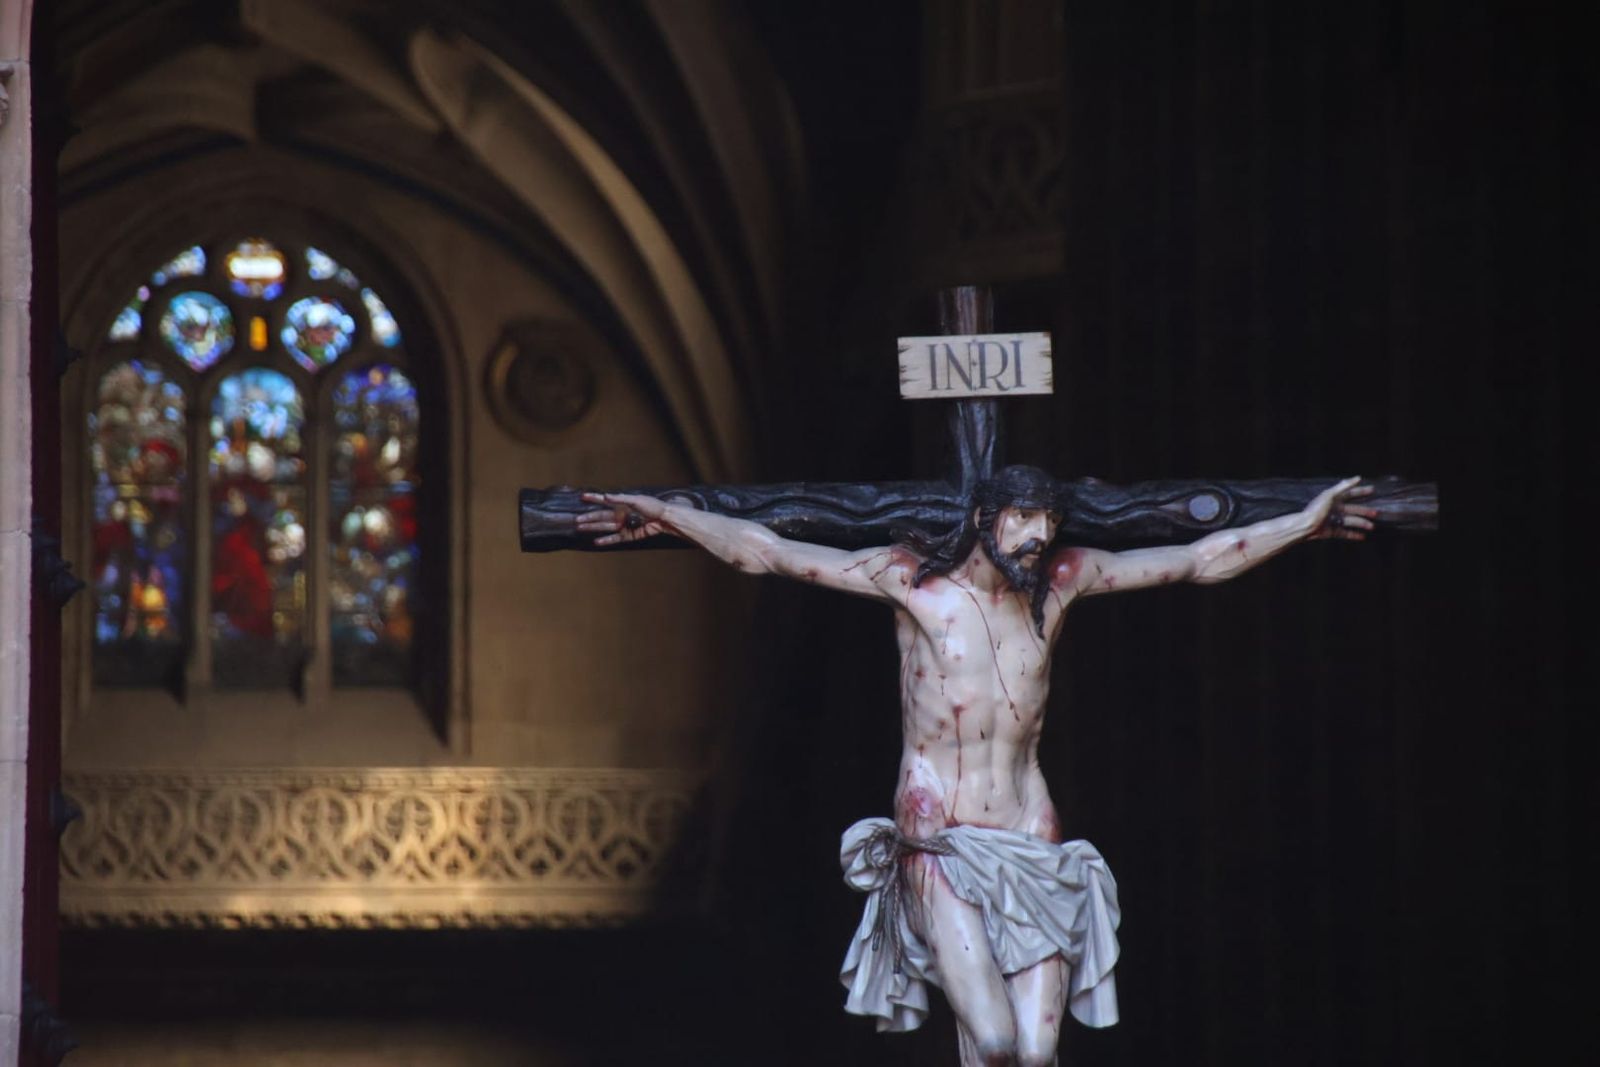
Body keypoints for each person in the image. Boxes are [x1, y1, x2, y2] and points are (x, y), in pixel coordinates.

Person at [578, 468, 1374, 1067]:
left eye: (1049, 521)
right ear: (988, 518)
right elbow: (769, 552)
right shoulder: (914, 587)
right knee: (990, 1038)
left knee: (1034, 1055)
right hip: (944, 843)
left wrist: (1303, 524)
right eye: (1025, 519)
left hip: (1032, 838)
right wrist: (669, 516)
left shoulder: (1062, 585)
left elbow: (1201, 557)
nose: (1039, 536)